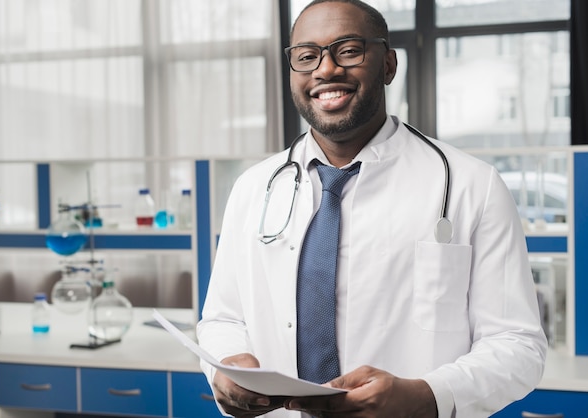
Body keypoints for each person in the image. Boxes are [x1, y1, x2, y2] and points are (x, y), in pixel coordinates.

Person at [196, 0, 547, 417]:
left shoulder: (473, 185)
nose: (325, 70)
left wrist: (426, 396)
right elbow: (222, 319)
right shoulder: (253, 187)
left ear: (388, 65)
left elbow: (518, 345)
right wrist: (226, 366)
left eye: (348, 50)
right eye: (307, 57)